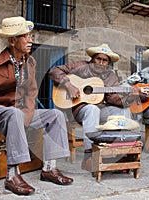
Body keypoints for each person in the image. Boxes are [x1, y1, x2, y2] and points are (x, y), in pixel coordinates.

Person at [0, 16, 73, 196]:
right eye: (25, 37)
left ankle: (49, 168)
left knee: (55, 115)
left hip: (21, 112)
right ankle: (12, 175)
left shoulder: (30, 62)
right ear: (12, 41)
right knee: (15, 114)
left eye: (30, 36)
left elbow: (31, 93)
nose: (31, 40)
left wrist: (27, 116)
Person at [49, 43, 136, 171]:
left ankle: (121, 152)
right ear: (92, 59)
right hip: (79, 109)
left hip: (101, 109)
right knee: (92, 109)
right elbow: (54, 71)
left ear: (108, 63)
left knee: (124, 110)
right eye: (98, 59)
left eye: (104, 60)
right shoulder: (80, 66)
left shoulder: (111, 76)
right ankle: (89, 156)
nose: (100, 63)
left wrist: (130, 97)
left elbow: (113, 99)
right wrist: (69, 85)